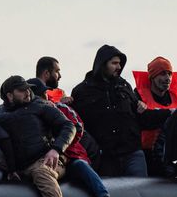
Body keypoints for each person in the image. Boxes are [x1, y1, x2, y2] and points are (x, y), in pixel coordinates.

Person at [71, 44, 171, 177]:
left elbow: (142, 116)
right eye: (114, 63)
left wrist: (170, 113)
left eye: (120, 64)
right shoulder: (81, 91)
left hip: (133, 153)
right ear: (102, 64)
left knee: (141, 192)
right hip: (105, 157)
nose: (119, 67)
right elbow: (76, 125)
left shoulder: (124, 86)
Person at [0, 76, 78, 197]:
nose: (27, 92)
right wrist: (9, 169)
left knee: (41, 171)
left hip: (47, 160)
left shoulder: (41, 105)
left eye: (28, 88)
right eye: (21, 90)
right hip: (18, 168)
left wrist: (56, 149)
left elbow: (68, 126)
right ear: (9, 95)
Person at [28, 78, 119, 197]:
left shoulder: (60, 108)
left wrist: (59, 145)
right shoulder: (27, 116)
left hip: (71, 156)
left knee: (81, 165)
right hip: (46, 161)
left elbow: (76, 128)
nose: (44, 97)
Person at [132, 56, 177, 175]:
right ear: (152, 76)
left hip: (172, 153)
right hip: (146, 154)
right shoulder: (137, 97)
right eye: (162, 74)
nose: (167, 78)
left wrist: (157, 115)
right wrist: (171, 114)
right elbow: (144, 120)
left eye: (169, 74)